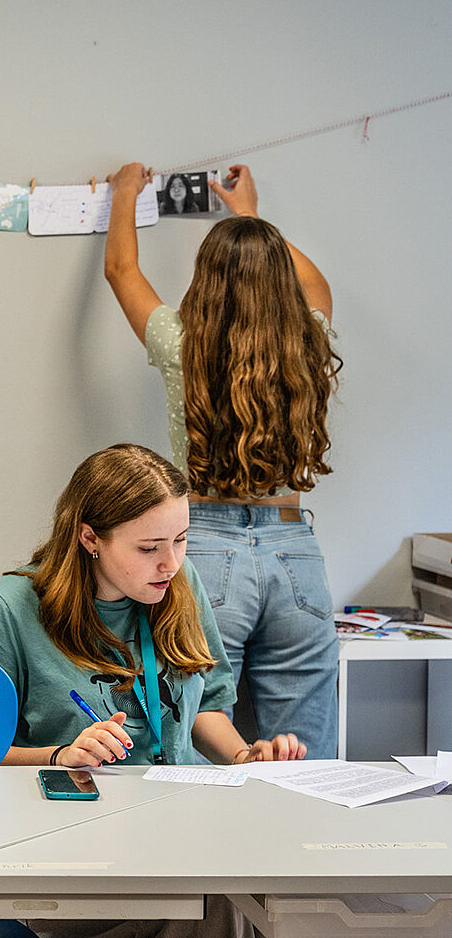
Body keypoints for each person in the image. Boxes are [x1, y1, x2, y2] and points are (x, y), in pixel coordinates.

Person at [0, 443, 416, 938]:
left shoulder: (180, 585)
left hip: (190, 835)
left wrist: (245, 755)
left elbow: (207, 705)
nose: (170, 564)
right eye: (150, 547)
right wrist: (60, 754)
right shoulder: (9, 610)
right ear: (88, 538)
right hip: (70, 852)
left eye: (180, 541)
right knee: (213, 915)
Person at [103, 161, 342, 756]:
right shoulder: (308, 339)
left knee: (201, 739)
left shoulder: (179, 343)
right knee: (301, 759)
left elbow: (120, 269)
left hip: (203, 550)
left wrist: (125, 193)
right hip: (295, 552)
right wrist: (250, 216)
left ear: (205, 279)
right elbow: (315, 288)